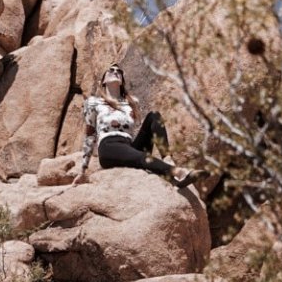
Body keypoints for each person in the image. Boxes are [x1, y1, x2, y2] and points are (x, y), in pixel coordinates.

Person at [72, 63, 205, 188]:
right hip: (109, 147)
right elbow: (90, 135)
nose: (115, 72)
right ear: (103, 81)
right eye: (111, 70)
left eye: (119, 71)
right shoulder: (93, 102)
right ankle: (178, 173)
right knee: (141, 157)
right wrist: (83, 170)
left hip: (128, 146)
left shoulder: (131, 103)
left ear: (122, 81)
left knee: (154, 116)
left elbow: (139, 132)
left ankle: (168, 160)